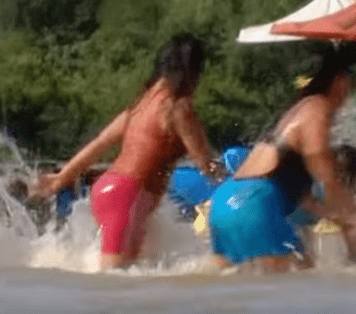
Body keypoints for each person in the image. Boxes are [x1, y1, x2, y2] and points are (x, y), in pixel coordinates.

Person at [36, 34, 224, 269]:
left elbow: (100, 142)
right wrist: (237, 180)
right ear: (192, 71)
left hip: (110, 191)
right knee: (114, 282)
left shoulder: (141, 104)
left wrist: (62, 177)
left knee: (141, 273)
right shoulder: (178, 108)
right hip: (126, 197)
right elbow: (205, 164)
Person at [208, 49, 356, 273]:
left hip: (224, 202)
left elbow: (307, 202)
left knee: (231, 289)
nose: (348, 98)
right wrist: (347, 206)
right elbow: (318, 157)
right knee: (302, 282)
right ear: (340, 82)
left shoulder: (292, 115)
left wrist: (345, 224)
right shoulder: (318, 106)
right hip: (254, 202)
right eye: (350, 88)